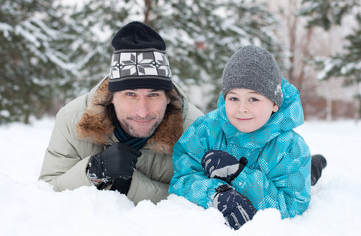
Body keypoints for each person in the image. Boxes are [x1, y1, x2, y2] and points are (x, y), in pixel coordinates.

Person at [38, 21, 203, 204]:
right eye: (130, 94)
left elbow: (200, 200)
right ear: (112, 96)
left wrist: (131, 185)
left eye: (153, 94)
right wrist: (94, 171)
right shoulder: (73, 119)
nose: (142, 111)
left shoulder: (197, 131)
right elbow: (48, 191)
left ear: (167, 97)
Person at [169, 45, 327, 230]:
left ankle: (314, 168)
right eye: (234, 98)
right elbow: (182, 178)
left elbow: (293, 205)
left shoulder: (290, 148)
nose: (242, 108)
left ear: (275, 103)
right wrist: (217, 193)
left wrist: (240, 176)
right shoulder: (205, 130)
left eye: (253, 99)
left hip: (293, 171)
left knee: (306, 175)